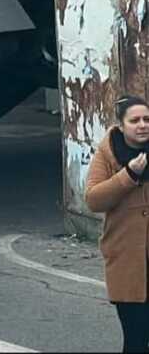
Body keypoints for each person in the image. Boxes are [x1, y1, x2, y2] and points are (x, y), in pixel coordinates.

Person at [86, 94, 149, 353]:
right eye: (134, 120)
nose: (143, 125)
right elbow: (93, 199)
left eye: (147, 119)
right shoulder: (109, 153)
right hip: (129, 263)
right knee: (136, 341)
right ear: (121, 126)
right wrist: (129, 174)